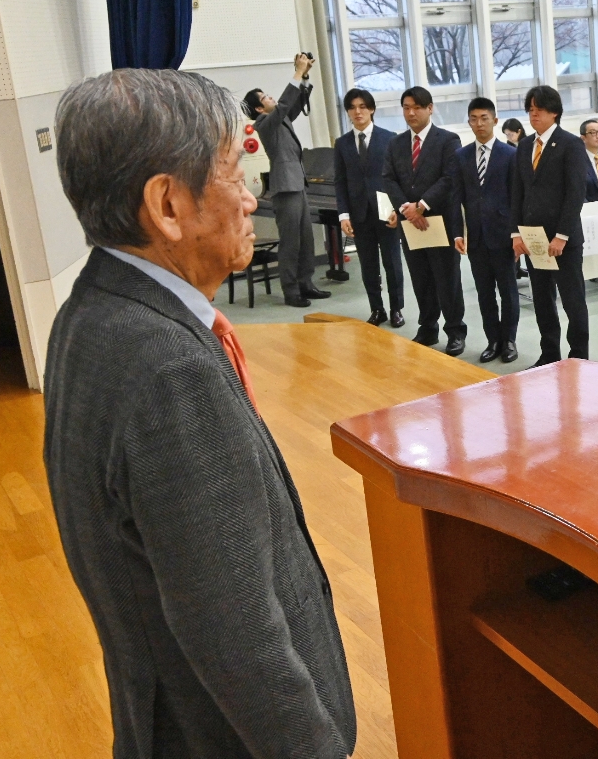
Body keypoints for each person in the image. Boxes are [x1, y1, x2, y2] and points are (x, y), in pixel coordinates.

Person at [46, 68, 356, 756]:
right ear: (167, 204)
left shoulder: (87, 314)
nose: (250, 199)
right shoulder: (169, 370)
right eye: (234, 173)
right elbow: (237, 633)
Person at [382, 86, 467, 355]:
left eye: (417, 107)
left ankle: (455, 331)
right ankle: (427, 327)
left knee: (447, 278)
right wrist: (407, 209)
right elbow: (388, 178)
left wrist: (421, 206)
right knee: (420, 278)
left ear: (430, 108)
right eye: (406, 107)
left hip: (439, 221)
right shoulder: (396, 143)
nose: (411, 112)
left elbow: (449, 178)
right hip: (410, 224)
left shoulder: (448, 140)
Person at [244, 54, 331, 308]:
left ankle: (306, 284)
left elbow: (293, 104)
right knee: (291, 242)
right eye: (265, 98)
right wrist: (297, 72)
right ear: (259, 109)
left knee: (306, 239)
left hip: (297, 184)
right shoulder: (264, 123)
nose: (270, 97)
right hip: (285, 187)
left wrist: (304, 76)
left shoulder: (280, 119)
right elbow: (284, 104)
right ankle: (291, 290)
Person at [510, 86, 588, 366]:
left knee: (572, 300)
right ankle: (549, 353)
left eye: (539, 109)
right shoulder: (524, 146)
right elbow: (516, 192)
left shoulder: (571, 144)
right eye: (529, 109)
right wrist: (516, 233)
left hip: (561, 240)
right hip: (533, 239)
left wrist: (562, 235)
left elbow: (575, 193)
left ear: (554, 112)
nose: (533, 114)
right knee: (542, 300)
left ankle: (579, 356)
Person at [450, 97, 520, 364]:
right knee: (484, 292)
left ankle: (509, 340)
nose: (479, 124)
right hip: (476, 236)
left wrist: (517, 234)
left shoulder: (510, 155)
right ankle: (493, 340)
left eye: (484, 118)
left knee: (508, 290)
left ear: (495, 120)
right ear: (469, 122)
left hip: (504, 235)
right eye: (474, 119)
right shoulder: (461, 156)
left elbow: (517, 198)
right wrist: (458, 233)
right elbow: (456, 198)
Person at [334, 87, 403, 327]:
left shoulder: (390, 138)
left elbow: (398, 177)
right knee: (368, 264)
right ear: (348, 113)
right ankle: (377, 308)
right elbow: (340, 181)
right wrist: (343, 214)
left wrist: (397, 208)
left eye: (363, 106)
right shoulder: (342, 143)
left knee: (392, 262)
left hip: (386, 210)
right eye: (352, 108)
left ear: (372, 109)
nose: (358, 111)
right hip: (358, 212)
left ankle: (396, 309)